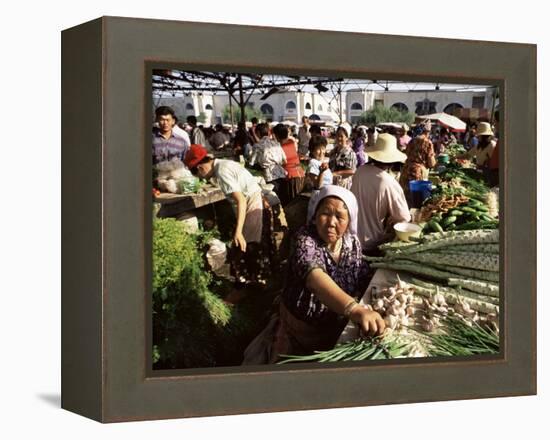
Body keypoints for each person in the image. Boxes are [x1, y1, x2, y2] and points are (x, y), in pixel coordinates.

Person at [268, 185, 386, 362]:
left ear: (349, 221)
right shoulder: (305, 240)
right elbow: (315, 278)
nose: (331, 222)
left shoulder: (351, 243)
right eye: (325, 213)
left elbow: (361, 272)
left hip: (334, 325)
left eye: (339, 217)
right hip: (301, 330)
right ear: (315, 216)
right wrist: (354, 309)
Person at [183, 144, 274, 288]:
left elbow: (241, 200)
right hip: (256, 203)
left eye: (197, 173)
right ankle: (257, 286)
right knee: (254, 249)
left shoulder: (222, 172)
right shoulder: (223, 164)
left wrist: (238, 232)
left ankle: (246, 288)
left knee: (247, 248)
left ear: (200, 167)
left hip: (252, 205)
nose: (202, 177)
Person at [351, 133, 411, 255]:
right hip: (372, 243)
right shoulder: (388, 182)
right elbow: (404, 217)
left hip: (351, 239)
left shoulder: (360, 171)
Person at [399, 120, 437, 198]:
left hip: (406, 170)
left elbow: (407, 154)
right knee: (415, 201)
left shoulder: (412, 141)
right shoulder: (428, 142)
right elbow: (431, 163)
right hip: (417, 174)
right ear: (427, 131)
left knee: (404, 198)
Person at [250, 123, 288, 195]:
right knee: (283, 200)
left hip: (270, 177)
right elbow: (284, 160)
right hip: (282, 175)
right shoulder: (276, 143)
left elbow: (251, 163)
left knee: (274, 200)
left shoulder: (257, 146)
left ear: (258, 133)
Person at [273, 123, 305, 206]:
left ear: (276, 136)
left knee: (292, 204)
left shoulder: (279, 147)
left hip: (291, 177)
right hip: (300, 173)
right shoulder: (291, 142)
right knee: (299, 201)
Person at [306, 135, 334, 222]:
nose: (321, 152)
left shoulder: (321, 162)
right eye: (318, 149)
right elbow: (317, 185)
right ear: (312, 150)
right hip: (318, 197)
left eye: (323, 148)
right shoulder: (313, 163)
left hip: (326, 195)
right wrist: (321, 172)